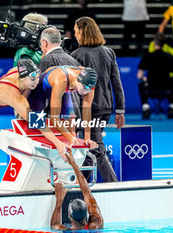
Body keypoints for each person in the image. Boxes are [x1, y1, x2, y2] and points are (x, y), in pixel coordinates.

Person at [0, 59, 71, 188]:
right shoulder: (12, 95)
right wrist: (58, 143)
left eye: (37, 77)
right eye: (32, 79)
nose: (36, 82)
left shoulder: (17, 72)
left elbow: (22, 64)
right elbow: (38, 123)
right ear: (22, 78)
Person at [71, 16, 125, 182]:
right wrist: (120, 110)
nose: (74, 35)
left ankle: (114, 186)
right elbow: (117, 83)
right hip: (106, 108)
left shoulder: (76, 55)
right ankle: (84, 186)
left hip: (87, 110)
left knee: (95, 147)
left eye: (76, 31)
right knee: (88, 148)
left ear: (82, 31)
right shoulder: (108, 52)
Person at [27, 65, 98, 150]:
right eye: (85, 88)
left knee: (70, 125)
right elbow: (54, 118)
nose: (86, 92)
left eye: (89, 89)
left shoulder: (90, 84)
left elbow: (87, 110)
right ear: (78, 81)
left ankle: (68, 154)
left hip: (64, 90)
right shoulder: (61, 81)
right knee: (35, 122)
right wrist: (68, 137)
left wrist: (87, 138)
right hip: (42, 88)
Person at [51, 151, 103, 230]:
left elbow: (54, 226)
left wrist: (59, 200)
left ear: (69, 215)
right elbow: (88, 194)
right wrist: (74, 164)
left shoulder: (64, 230)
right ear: (86, 214)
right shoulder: (95, 225)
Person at [137, 33, 173, 119]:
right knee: (172, 82)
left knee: (141, 84)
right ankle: (171, 107)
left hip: (150, 88)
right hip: (166, 88)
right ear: (164, 44)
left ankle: (146, 108)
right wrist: (169, 79)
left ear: (154, 43)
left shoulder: (147, 56)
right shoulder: (170, 57)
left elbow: (139, 75)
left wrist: (144, 78)